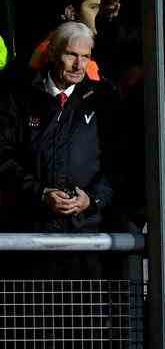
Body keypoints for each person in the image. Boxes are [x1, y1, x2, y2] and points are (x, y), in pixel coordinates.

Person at [0, 22, 116, 232]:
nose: (79, 65)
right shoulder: (20, 97)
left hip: (86, 231)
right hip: (29, 228)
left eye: (86, 57)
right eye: (71, 55)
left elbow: (117, 162)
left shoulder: (102, 100)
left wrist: (92, 199)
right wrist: (41, 193)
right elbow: (3, 156)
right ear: (53, 53)